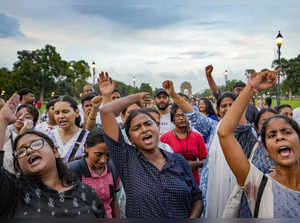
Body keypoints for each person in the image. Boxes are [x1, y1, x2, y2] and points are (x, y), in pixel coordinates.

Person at [100, 89, 203, 218]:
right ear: (130, 138)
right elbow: (106, 112)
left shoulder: (178, 161)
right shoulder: (126, 159)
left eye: (148, 124)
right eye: (136, 128)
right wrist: (137, 97)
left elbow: (197, 198)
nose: (144, 129)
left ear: (157, 127)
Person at [0, 94, 106, 218]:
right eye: (21, 151)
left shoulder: (85, 192)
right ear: (18, 164)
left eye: (36, 144)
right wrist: (2, 121)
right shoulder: (14, 191)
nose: (29, 151)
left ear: (55, 151)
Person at [161, 80, 256, 218]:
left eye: (232, 105)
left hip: (239, 189)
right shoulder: (212, 128)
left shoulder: (247, 131)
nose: (228, 108)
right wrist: (174, 95)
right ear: (218, 110)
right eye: (224, 106)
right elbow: (193, 114)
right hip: (213, 189)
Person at [218, 68, 300, 218]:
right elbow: (224, 133)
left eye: (287, 132)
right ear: (266, 150)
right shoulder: (258, 184)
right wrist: (251, 88)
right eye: (272, 135)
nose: (280, 137)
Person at [69, 127, 120, 218]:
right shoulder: (73, 171)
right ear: (86, 148)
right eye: (99, 154)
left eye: (108, 155)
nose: (103, 160)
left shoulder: (113, 168)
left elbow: (113, 201)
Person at [161, 103, 207, 185]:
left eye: (184, 115)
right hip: (173, 182)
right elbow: (160, 162)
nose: (182, 118)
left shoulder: (197, 136)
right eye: (178, 116)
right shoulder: (165, 138)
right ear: (173, 119)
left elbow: (206, 160)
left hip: (193, 182)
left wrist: (196, 164)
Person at [3, 104, 39, 174]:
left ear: (34, 123)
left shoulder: (35, 141)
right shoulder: (5, 134)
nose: (20, 118)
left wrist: (22, 134)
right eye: (18, 115)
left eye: (27, 117)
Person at [52, 96, 89, 163]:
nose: (61, 116)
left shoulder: (88, 137)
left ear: (77, 112)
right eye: (57, 113)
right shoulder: (48, 136)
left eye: (65, 112)